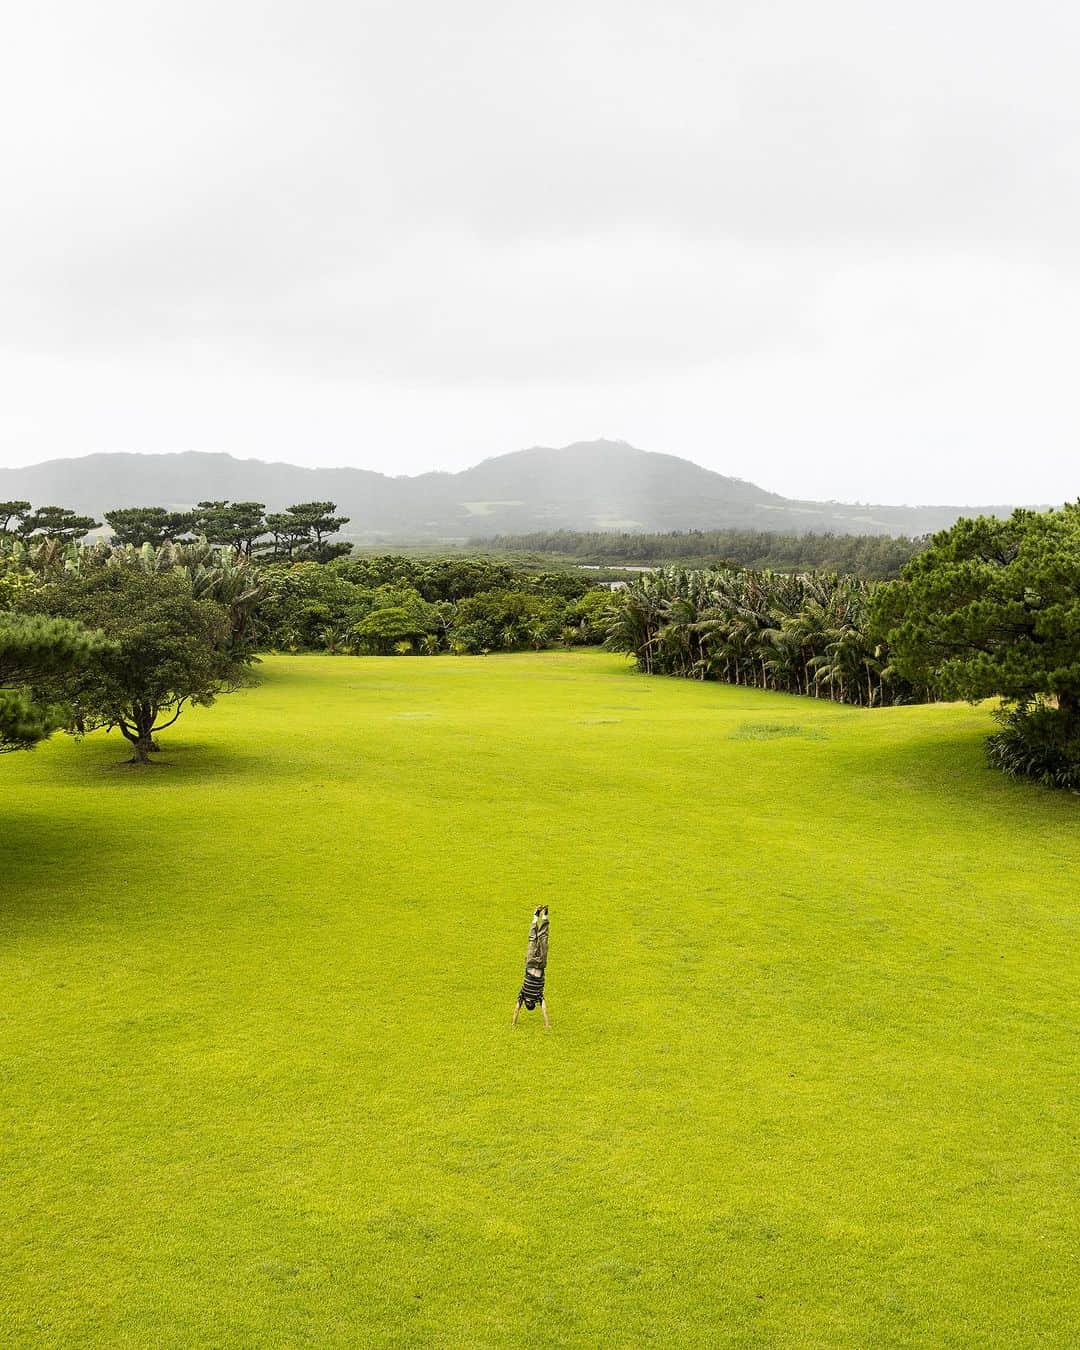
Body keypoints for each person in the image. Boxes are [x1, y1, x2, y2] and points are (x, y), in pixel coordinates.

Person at [512, 905, 550, 1028]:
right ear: (531, 1003)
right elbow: (517, 1008)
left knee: (539, 939)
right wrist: (547, 1024)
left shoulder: (531, 995)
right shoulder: (526, 995)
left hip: (538, 965)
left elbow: (517, 1008)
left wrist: (514, 1023)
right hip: (532, 963)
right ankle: (539, 915)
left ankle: (541, 914)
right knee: (535, 939)